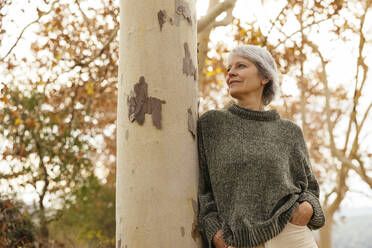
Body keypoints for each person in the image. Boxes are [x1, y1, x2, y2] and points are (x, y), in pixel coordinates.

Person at [197, 44, 325, 248]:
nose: (231, 73)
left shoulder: (289, 131)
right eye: (228, 68)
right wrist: (216, 235)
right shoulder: (212, 124)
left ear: (265, 77)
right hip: (238, 242)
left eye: (241, 66)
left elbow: (309, 187)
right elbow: (203, 190)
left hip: (291, 235)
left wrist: (305, 210)